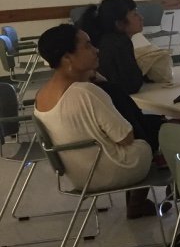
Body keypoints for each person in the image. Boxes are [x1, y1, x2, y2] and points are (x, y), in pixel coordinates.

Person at [34, 24, 156, 218]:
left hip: (79, 176)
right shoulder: (86, 92)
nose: (96, 49)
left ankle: (138, 203)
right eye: (88, 45)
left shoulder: (41, 95)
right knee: (166, 133)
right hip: (115, 169)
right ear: (67, 57)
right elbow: (126, 138)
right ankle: (168, 202)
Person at [77, 0, 166, 152]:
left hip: (109, 111)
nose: (141, 18)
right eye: (134, 14)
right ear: (119, 23)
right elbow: (132, 84)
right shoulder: (119, 43)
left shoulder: (105, 40)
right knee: (169, 122)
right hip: (120, 116)